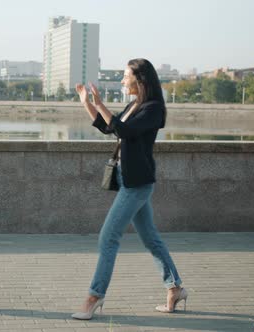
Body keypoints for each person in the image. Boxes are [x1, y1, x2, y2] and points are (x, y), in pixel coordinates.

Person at [71, 58, 187, 320]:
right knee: (151, 239)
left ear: (139, 79)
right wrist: (88, 104)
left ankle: (94, 296)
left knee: (108, 237)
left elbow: (125, 130)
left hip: (137, 183)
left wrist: (100, 102)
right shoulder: (134, 104)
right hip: (127, 178)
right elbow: (109, 128)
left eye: (125, 76)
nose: (122, 80)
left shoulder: (153, 108)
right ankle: (175, 287)